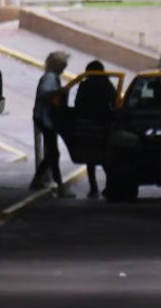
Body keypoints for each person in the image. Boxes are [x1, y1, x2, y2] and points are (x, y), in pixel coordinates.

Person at [31, 50, 74, 198]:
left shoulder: (51, 77)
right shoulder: (50, 77)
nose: (64, 68)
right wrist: (59, 91)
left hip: (45, 118)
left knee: (53, 153)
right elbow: (44, 92)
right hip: (45, 119)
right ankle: (59, 185)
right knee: (53, 153)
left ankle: (39, 179)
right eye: (63, 65)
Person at [75, 60, 117, 199]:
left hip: (87, 126)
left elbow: (78, 105)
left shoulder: (84, 85)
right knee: (106, 157)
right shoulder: (107, 85)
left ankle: (93, 188)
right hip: (104, 125)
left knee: (90, 159)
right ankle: (110, 186)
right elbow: (115, 102)